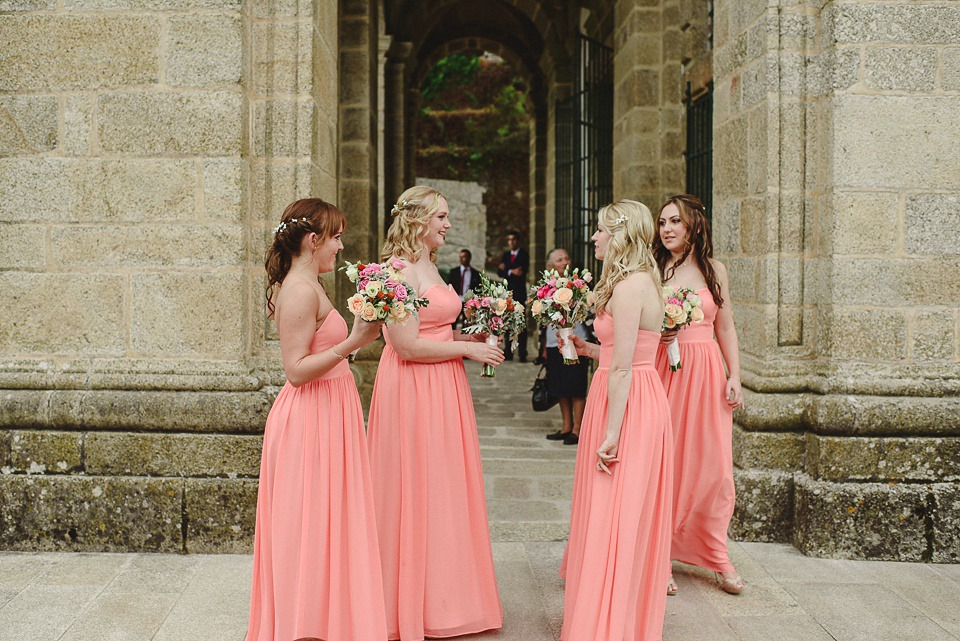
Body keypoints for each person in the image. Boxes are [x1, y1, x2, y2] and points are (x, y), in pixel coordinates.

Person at [367, 186, 504, 641]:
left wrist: (477, 330)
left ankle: (448, 597)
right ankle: (410, 604)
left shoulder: (429, 264)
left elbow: (436, 324)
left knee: (444, 486)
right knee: (416, 485)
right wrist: (469, 349)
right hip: (414, 387)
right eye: (440, 217)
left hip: (443, 384)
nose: (447, 224)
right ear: (417, 220)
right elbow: (404, 346)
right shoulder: (398, 272)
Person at [248, 199, 387, 641]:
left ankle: (325, 623)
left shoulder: (312, 285)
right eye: (337, 237)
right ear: (313, 241)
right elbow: (295, 370)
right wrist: (355, 341)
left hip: (331, 410)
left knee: (328, 523)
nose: (341, 247)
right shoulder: (299, 291)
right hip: (310, 418)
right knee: (308, 524)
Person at [558, 200, 674, 641]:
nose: (594, 237)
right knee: (608, 509)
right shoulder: (632, 281)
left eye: (601, 230)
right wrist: (590, 351)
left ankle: (608, 626)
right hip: (620, 390)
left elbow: (626, 366)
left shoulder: (630, 287)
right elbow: (620, 353)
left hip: (629, 403)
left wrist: (611, 432)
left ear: (622, 235)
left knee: (617, 511)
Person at [653, 194, 745, 596]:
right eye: (661, 223)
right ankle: (658, 556)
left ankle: (715, 552)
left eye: (675, 221)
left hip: (707, 371)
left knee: (715, 468)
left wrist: (736, 375)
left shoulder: (714, 270)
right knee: (667, 463)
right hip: (665, 369)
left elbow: (724, 327)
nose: (667, 229)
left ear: (693, 227)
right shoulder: (653, 269)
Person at [540, 248, 589, 446]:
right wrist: (543, 346)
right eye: (559, 259)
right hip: (554, 341)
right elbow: (542, 319)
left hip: (576, 341)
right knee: (560, 386)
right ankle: (566, 426)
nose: (564, 262)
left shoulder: (579, 285)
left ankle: (577, 429)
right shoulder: (544, 288)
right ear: (550, 266)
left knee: (575, 386)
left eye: (567, 258)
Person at [497, 229, 529, 361]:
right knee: (508, 322)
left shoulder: (523, 255)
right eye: (509, 240)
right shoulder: (505, 255)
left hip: (520, 293)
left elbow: (521, 272)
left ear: (518, 241)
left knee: (521, 323)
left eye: (514, 239)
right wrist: (510, 271)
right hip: (508, 293)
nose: (511, 242)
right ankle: (508, 352)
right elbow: (500, 272)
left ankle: (522, 353)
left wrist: (507, 270)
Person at [447, 248, 481, 327]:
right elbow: (449, 286)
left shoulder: (475, 274)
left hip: (468, 302)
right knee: (452, 322)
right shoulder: (454, 272)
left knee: (467, 323)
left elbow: (478, 288)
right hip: (456, 300)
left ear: (469, 258)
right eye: (461, 257)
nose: (463, 259)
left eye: (465, 257)